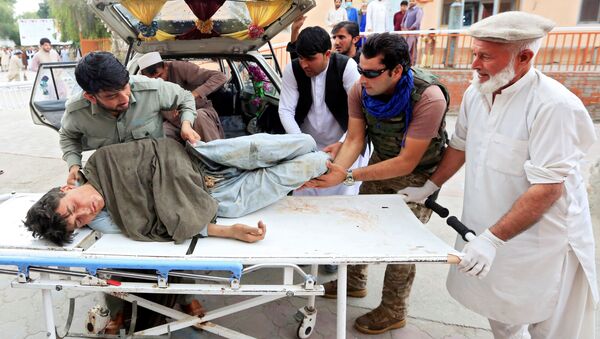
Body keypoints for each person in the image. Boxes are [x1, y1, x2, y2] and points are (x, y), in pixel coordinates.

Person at [399, 11, 598, 339]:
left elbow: (548, 188)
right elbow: (461, 145)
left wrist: (493, 240)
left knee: (551, 328)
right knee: (502, 319)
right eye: (474, 53)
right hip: (487, 232)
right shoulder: (477, 93)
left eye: (485, 56)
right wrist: (430, 186)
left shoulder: (554, 106)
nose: (474, 64)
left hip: (543, 245)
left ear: (524, 57)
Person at [305, 33, 449, 334]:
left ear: (396, 71)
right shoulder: (360, 90)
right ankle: (354, 282)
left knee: (402, 245)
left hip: (418, 176)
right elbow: (356, 137)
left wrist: (347, 175)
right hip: (379, 164)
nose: (363, 78)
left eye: (371, 72)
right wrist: (336, 170)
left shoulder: (428, 98)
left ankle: (393, 310)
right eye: (360, 70)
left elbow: (407, 161)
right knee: (361, 224)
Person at [25, 134, 328, 245]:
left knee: (303, 142)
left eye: (72, 207)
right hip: (216, 200)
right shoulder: (110, 221)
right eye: (78, 222)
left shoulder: (102, 161)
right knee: (313, 165)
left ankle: (335, 153)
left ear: (65, 188)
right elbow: (168, 225)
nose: (85, 213)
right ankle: (336, 162)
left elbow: (158, 150)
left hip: (202, 158)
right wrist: (230, 231)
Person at [59, 51, 200, 186]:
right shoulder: (77, 111)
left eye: (125, 87)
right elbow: (68, 136)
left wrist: (186, 124)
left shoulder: (150, 89)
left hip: (158, 170)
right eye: (112, 96)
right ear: (91, 97)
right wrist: (74, 166)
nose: (124, 98)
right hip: (114, 177)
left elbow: (185, 97)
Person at [137, 52, 227, 142]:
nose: (158, 81)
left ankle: (215, 154)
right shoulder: (143, 84)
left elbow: (220, 77)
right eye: (152, 79)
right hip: (174, 122)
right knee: (158, 135)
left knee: (199, 118)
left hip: (199, 112)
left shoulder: (181, 68)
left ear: (166, 67)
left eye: (160, 75)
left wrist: (191, 96)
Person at [401, 0, 423, 66]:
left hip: (413, 33)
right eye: (410, 1)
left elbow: (417, 22)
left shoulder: (418, 10)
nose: (411, 2)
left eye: (413, 1)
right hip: (406, 33)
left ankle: (413, 64)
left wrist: (410, 29)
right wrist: (403, 27)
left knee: (412, 49)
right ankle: (407, 63)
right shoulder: (408, 10)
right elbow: (404, 19)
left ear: (416, 1)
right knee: (406, 47)